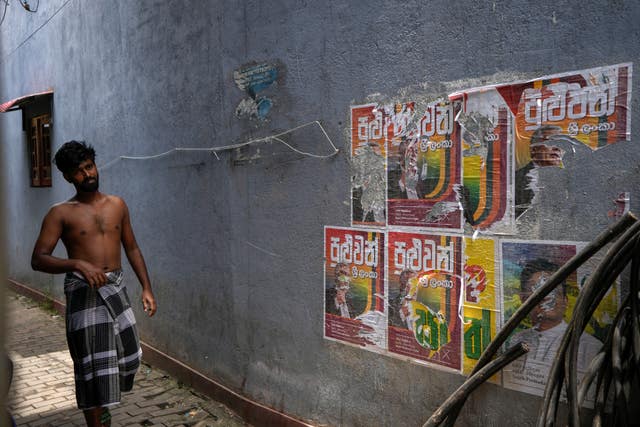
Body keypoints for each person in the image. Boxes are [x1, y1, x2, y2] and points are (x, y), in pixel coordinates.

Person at [31, 141, 157, 427]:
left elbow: (132, 248)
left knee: (128, 357)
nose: (87, 174)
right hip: (83, 297)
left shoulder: (117, 205)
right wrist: (77, 263)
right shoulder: (60, 213)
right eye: (78, 171)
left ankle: (103, 408)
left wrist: (147, 288)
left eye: (89, 166)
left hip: (116, 290)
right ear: (67, 177)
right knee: (90, 368)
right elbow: (38, 259)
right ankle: (97, 419)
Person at [510, 258, 601, 373]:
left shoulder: (589, 346)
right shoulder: (517, 340)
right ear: (524, 300)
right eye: (539, 292)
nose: (548, 298)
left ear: (565, 301)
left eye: (555, 292)